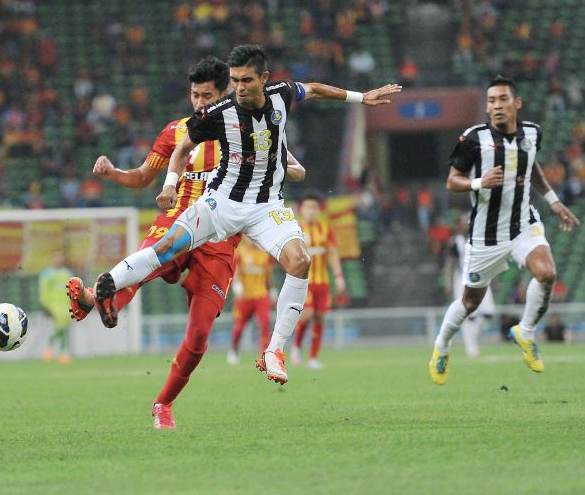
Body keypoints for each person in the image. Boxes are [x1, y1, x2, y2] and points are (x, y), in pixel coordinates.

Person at [82, 44, 400, 387]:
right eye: (234, 81)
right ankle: (109, 283)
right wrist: (171, 185)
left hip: (266, 208)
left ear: (264, 78)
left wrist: (360, 97)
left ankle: (274, 352)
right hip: (221, 204)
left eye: (246, 80)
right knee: (168, 246)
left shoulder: (282, 94)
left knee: (300, 260)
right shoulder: (216, 113)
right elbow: (181, 150)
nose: (240, 88)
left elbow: (317, 88)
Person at [66, 56, 305, 429]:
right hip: (180, 221)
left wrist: (281, 168)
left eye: (207, 95)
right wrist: (114, 173)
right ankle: (96, 299)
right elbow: (144, 176)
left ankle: (163, 404)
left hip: (221, 240)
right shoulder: (178, 131)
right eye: (195, 95)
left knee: (197, 339)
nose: (199, 103)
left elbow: (292, 164)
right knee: (148, 259)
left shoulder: (243, 122)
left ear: (225, 92)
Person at [429, 76, 580, 385]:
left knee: (547, 273)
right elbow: (452, 180)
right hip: (485, 237)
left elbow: (531, 167)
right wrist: (478, 183)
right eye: (491, 101)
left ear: (516, 103)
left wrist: (552, 200)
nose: (496, 106)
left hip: (523, 224)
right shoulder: (473, 139)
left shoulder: (532, 134)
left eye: (502, 99)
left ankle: (525, 333)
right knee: (470, 304)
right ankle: (441, 346)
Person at [291, 193, 346, 369]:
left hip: (322, 281)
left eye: (314, 207)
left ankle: (313, 358)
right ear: (301, 210)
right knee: (307, 314)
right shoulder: (295, 228)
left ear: (319, 210)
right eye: (308, 207)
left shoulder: (325, 228)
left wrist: (338, 277)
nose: (311, 211)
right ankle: (296, 346)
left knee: (320, 318)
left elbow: (332, 253)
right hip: (303, 282)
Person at [444, 213, 496, 358]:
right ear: (458, 225)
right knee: (466, 315)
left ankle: (472, 341)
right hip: (462, 281)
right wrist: (448, 282)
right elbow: (450, 263)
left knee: (488, 312)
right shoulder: (455, 242)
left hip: (481, 280)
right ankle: (471, 347)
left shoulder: (479, 239)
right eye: (464, 221)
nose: (467, 223)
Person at [228, 236, 274, 365]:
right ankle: (234, 349)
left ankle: (264, 355)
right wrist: (237, 286)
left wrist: (272, 290)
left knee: (265, 323)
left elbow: (268, 275)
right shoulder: (240, 252)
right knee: (239, 326)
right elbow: (235, 272)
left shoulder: (264, 254)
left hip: (261, 295)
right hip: (245, 296)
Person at [39, 252, 75, 364]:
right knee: (61, 328)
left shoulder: (67, 273)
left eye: (60, 258)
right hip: (54, 306)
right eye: (56, 258)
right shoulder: (47, 274)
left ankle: (56, 352)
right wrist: (46, 306)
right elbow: (44, 291)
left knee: (64, 330)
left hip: (66, 306)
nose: (59, 260)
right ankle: (56, 352)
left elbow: (73, 290)